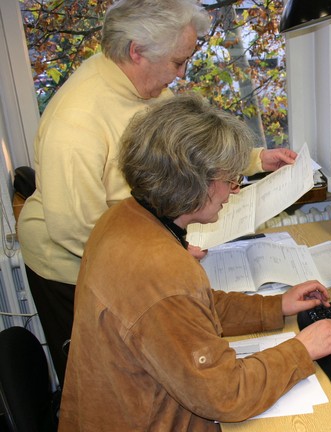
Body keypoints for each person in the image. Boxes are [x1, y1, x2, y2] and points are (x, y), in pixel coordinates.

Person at [17, 0, 296, 385]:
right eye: (177, 63)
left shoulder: (142, 86)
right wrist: (162, 254)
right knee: (107, 381)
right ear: (137, 51)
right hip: (71, 265)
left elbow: (183, 152)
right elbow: (75, 228)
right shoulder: (76, 121)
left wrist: (255, 159)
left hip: (136, 242)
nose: (180, 75)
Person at [58, 94, 331, 431]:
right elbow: (226, 395)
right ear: (192, 183)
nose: (234, 192)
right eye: (229, 180)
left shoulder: (123, 219)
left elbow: (192, 310)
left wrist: (277, 306)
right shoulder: (161, 270)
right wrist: (301, 349)